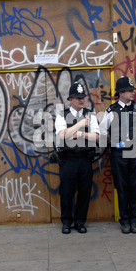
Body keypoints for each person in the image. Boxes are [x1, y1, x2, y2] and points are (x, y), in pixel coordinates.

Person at [99, 76, 136, 234]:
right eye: (129, 90)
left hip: (135, 153)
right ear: (121, 93)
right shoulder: (111, 111)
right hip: (118, 154)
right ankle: (124, 220)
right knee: (121, 187)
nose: (133, 93)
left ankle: (135, 220)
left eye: (132, 90)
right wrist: (113, 140)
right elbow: (101, 131)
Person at [55, 82, 100, 234]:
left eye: (83, 97)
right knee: (67, 193)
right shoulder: (62, 115)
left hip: (85, 159)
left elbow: (96, 137)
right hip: (68, 160)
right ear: (71, 99)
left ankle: (80, 222)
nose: (82, 100)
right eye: (78, 97)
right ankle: (66, 222)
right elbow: (63, 135)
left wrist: (80, 134)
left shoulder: (90, 115)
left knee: (84, 192)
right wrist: (80, 124)